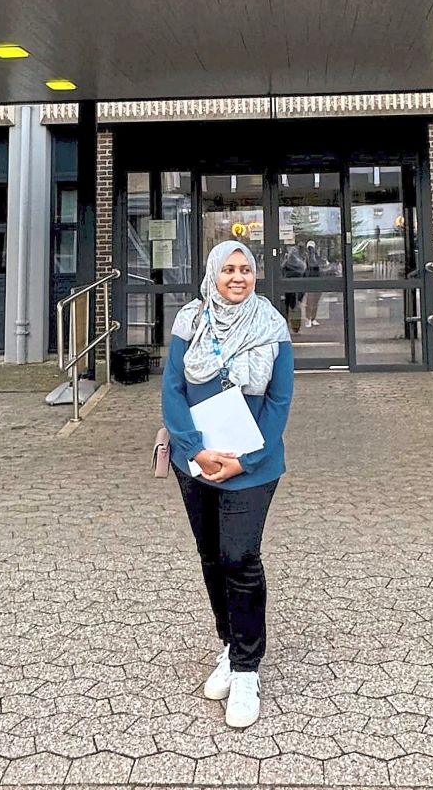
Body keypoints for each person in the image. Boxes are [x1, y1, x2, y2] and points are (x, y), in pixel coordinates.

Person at [162, 241, 293, 729]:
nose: (238, 277)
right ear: (213, 273)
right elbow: (173, 388)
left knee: (240, 558)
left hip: (251, 466)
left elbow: (279, 403)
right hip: (195, 461)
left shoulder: (271, 326)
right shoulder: (191, 320)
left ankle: (246, 669)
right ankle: (229, 643)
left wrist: (245, 460)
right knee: (212, 557)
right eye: (229, 269)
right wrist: (195, 449)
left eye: (247, 269)